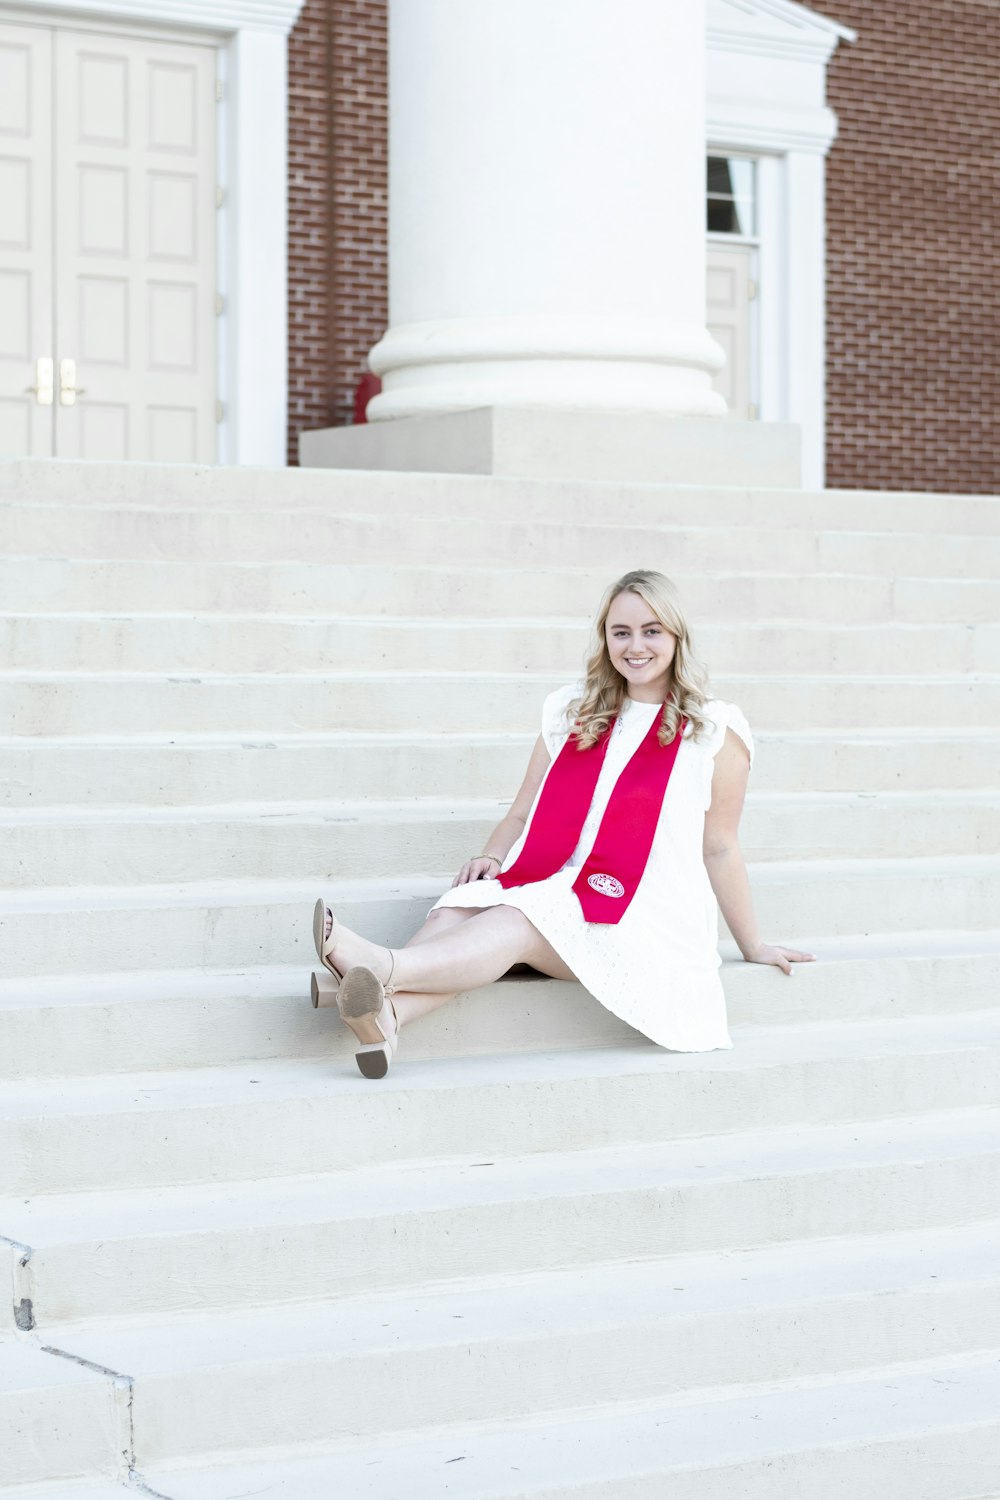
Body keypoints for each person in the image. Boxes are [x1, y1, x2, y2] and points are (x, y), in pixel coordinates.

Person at [312, 568, 816, 1079]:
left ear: (676, 637)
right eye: (621, 632)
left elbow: (721, 847)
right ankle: (390, 1013)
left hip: (646, 917)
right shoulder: (573, 711)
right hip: (561, 885)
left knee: (517, 916)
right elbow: (522, 811)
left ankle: (380, 967)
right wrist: (491, 856)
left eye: (651, 631)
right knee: (459, 908)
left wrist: (752, 944)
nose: (635, 646)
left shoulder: (713, 729)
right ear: (605, 638)